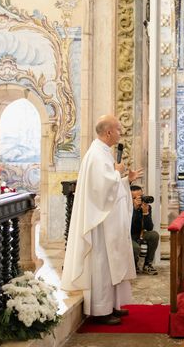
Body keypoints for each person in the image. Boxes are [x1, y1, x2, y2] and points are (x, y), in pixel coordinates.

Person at [61, 115, 143, 325]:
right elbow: (101, 188)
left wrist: (126, 179)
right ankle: (100, 310)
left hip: (109, 220)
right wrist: (118, 174)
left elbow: (110, 185)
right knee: (101, 264)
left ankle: (112, 306)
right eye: (118, 129)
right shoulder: (97, 155)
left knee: (111, 263)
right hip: (100, 223)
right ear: (108, 132)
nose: (120, 132)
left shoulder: (103, 152)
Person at [130, 185, 159, 275]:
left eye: (141, 197)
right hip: (128, 235)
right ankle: (133, 266)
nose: (140, 200)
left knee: (154, 235)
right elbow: (129, 226)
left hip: (140, 234)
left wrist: (145, 213)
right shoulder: (125, 207)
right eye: (135, 198)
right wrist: (134, 209)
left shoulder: (146, 207)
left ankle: (147, 264)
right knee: (136, 247)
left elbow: (149, 227)